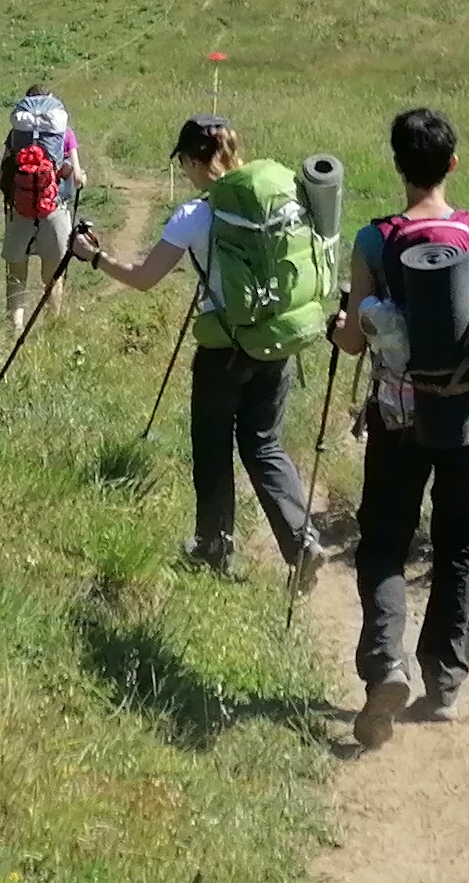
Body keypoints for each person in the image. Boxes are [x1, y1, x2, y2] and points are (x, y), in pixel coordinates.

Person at [83, 116, 327, 585]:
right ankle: (302, 542)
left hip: (224, 351)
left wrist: (94, 256)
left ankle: (214, 548)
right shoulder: (280, 199)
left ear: (196, 160)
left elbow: (143, 278)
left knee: (213, 448)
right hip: (277, 341)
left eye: (186, 163)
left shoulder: (195, 216)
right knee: (264, 444)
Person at [337, 104, 469, 747]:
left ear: (398, 167)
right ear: (451, 164)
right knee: (460, 544)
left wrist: (340, 325)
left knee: (384, 542)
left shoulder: (372, 241)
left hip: (396, 419)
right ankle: (445, 683)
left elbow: (355, 343)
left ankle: (387, 666)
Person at [0, 98, 78, 338]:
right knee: (52, 277)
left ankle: (15, 328)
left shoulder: (15, 137)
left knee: (16, 274)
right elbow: (75, 174)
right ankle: (53, 329)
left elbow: (3, 177)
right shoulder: (63, 134)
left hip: (19, 212)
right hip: (54, 210)